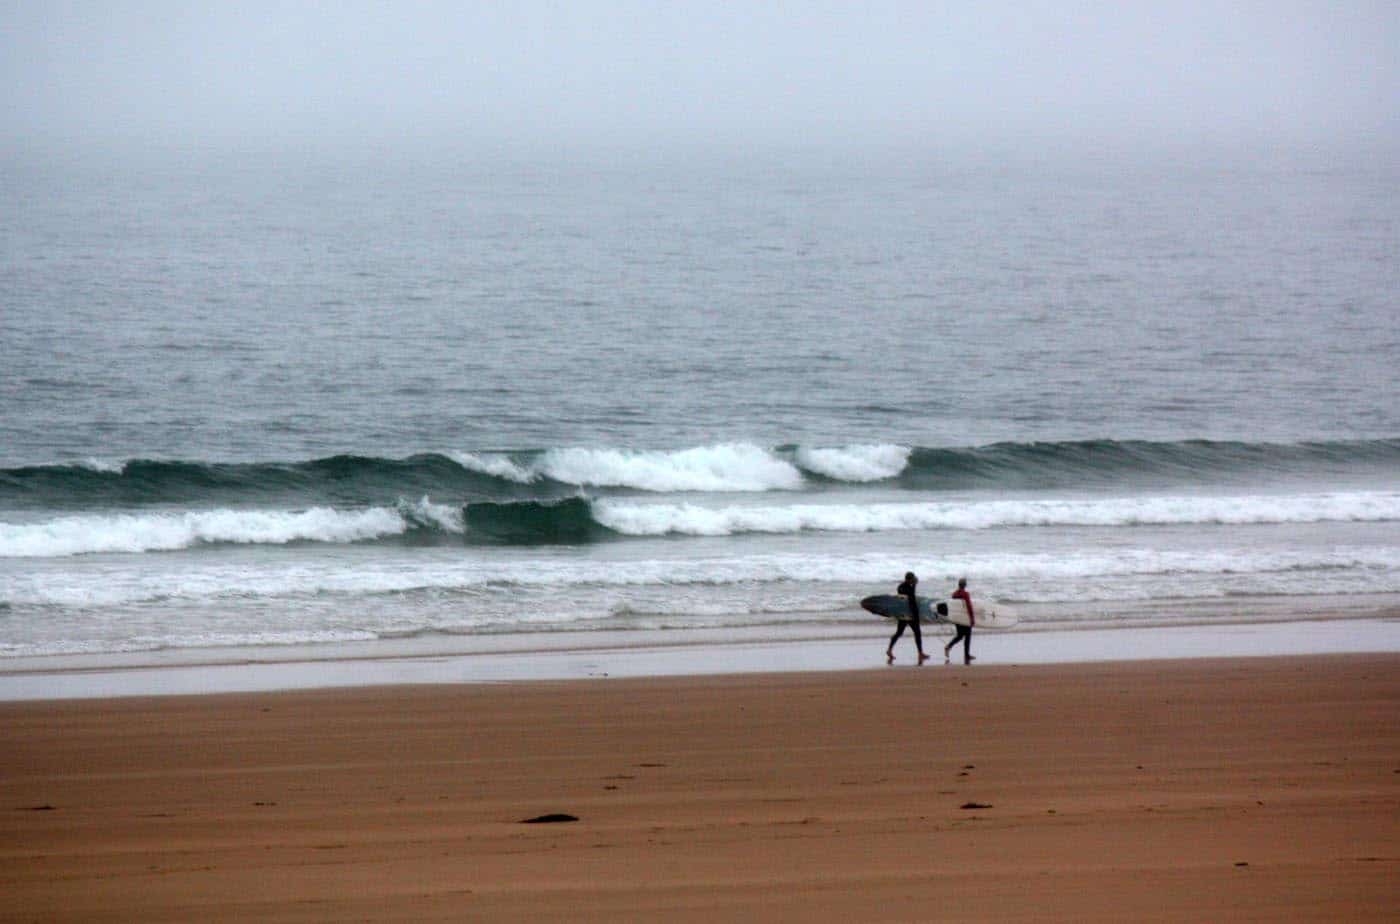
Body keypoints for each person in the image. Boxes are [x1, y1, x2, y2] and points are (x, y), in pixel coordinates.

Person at [887, 571, 931, 664]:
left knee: (906, 633)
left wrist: (913, 585)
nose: (913, 580)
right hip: (908, 614)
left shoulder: (901, 587)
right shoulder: (905, 588)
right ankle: (919, 653)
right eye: (912, 579)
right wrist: (914, 585)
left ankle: (919, 653)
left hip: (904, 614)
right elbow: (911, 597)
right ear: (909, 579)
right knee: (911, 633)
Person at [946, 577, 975, 664]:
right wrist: (972, 618)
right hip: (964, 618)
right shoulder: (965, 594)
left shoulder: (954, 594)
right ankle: (966, 655)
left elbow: (952, 607)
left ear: (959, 585)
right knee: (967, 636)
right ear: (965, 585)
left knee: (960, 635)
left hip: (957, 618)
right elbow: (969, 606)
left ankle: (949, 647)